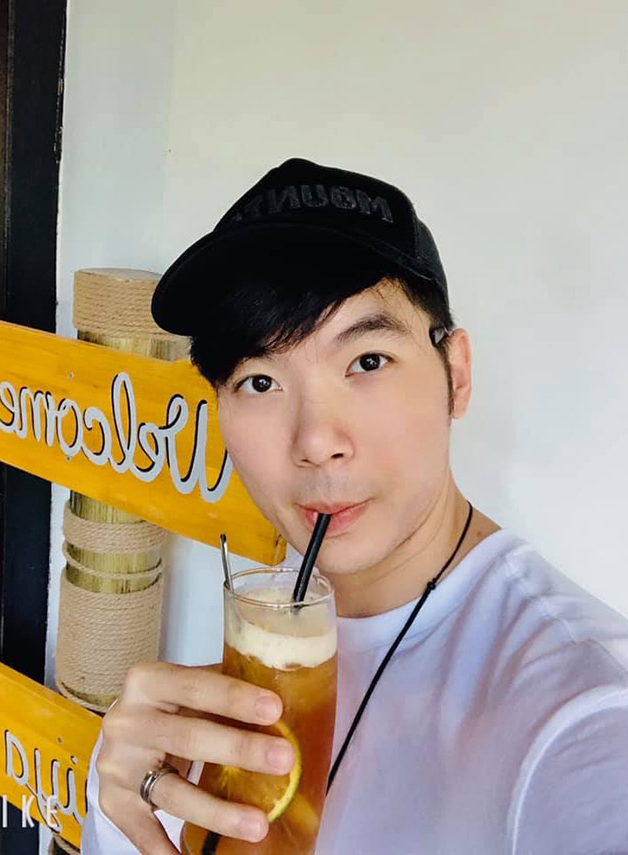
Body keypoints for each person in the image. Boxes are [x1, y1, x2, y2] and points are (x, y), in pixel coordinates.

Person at [81, 158, 628, 855]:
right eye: (259, 380)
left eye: (367, 361)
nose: (315, 441)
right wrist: (116, 820)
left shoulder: (582, 714)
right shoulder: (250, 655)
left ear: (456, 375)